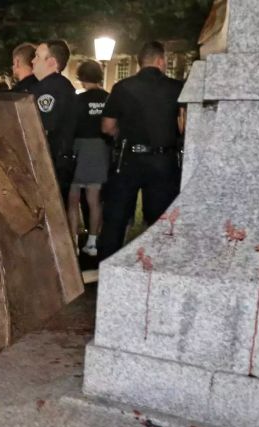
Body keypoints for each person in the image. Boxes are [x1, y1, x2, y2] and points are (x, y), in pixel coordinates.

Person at [97, 41, 185, 262]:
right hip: (163, 160)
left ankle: (107, 267)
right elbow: (184, 126)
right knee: (161, 221)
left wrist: (123, 134)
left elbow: (107, 127)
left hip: (128, 159)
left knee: (116, 219)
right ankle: (155, 267)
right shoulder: (176, 88)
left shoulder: (122, 87)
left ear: (140, 62)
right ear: (160, 60)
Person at [68, 60, 111, 256]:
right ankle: (93, 242)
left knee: (73, 199)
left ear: (82, 77)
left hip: (79, 148)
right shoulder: (108, 98)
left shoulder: (78, 100)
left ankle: (73, 243)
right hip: (99, 149)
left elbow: (72, 126)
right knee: (94, 200)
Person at [31, 39, 77, 204]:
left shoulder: (47, 89)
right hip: (61, 160)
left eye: (37, 56)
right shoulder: (64, 86)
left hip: (49, 162)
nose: (32, 60)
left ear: (51, 62)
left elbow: (43, 128)